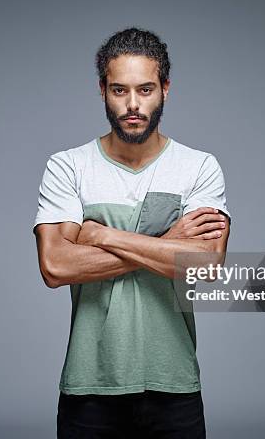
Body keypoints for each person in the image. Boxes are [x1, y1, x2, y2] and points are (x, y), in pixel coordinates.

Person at [33, 27, 231, 438]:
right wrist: (167, 243)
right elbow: (54, 266)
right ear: (102, 90)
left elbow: (206, 265)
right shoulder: (68, 166)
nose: (133, 104)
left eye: (145, 89)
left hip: (173, 383)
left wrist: (103, 235)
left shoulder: (198, 168)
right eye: (120, 91)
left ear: (165, 89)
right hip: (90, 384)